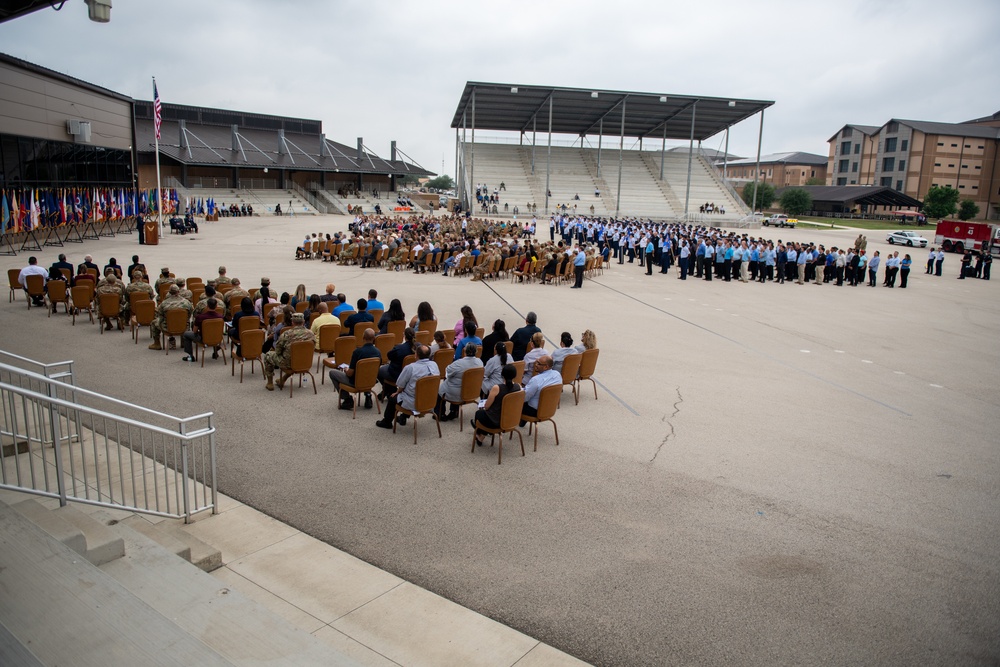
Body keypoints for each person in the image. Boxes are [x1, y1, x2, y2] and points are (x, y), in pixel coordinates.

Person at [375, 343, 438, 429]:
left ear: (416, 355)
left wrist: (398, 392)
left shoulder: (410, 368)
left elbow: (400, 384)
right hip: (429, 401)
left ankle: (387, 422)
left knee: (393, 398)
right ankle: (403, 417)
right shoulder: (434, 365)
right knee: (408, 393)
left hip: (414, 402)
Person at [328, 328, 381, 410]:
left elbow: (350, 373)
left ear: (363, 337)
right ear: (374, 338)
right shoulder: (378, 352)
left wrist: (346, 369)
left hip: (356, 382)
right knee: (367, 371)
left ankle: (347, 399)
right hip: (371, 381)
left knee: (332, 373)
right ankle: (368, 395)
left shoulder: (357, 352)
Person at [263, 312, 315, 391]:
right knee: (295, 357)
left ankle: (270, 383)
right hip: (304, 362)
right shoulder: (311, 334)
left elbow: (278, 350)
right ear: (303, 322)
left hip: (288, 363)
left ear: (292, 322)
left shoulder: (286, 334)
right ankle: (282, 380)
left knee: (268, 355)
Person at [472, 364, 521, 446]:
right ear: (515, 375)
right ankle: (481, 435)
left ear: (502, 374)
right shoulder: (518, 387)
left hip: (495, 421)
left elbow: (487, 406)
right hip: (511, 420)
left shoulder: (497, 388)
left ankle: (480, 434)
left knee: (479, 413)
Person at [437, 342, 484, 421]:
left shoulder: (458, 363)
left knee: (441, 391)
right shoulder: (480, 362)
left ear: (465, 350)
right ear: (476, 351)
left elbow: (447, 373)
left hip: (458, 393)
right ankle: (454, 411)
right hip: (473, 391)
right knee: (455, 383)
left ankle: (440, 414)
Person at [520, 355, 561, 427]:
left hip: (534, 411)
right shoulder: (557, 375)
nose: (535, 364)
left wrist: (519, 389)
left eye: (538, 363)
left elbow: (524, 397)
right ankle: (521, 422)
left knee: (512, 401)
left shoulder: (536, 380)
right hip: (549, 409)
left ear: (546, 367)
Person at [149, 284, 193, 350]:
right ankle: (184, 342)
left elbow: (160, 315)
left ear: (169, 292)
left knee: (153, 323)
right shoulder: (186, 302)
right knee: (187, 320)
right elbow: (190, 314)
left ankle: (157, 344)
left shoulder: (164, 303)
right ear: (178, 292)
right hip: (184, 327)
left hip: (168, 328)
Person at [182, 297, 224, 362]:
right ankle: (215, 353)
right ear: (216, 306)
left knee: (186, 334)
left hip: (203, 339)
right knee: (214, 332)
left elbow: (194, 331)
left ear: (207, 306)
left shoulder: (200, 317)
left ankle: (190, 356)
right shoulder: (220, 317)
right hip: (217, 338)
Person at [379, 327, 416, 397]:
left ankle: (389, 389)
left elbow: (389, 356)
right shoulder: (418, 347)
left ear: (404, 336)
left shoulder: (399, 348)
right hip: (413, 373)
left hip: (398, 374)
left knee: (380, 371)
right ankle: (388, 390)